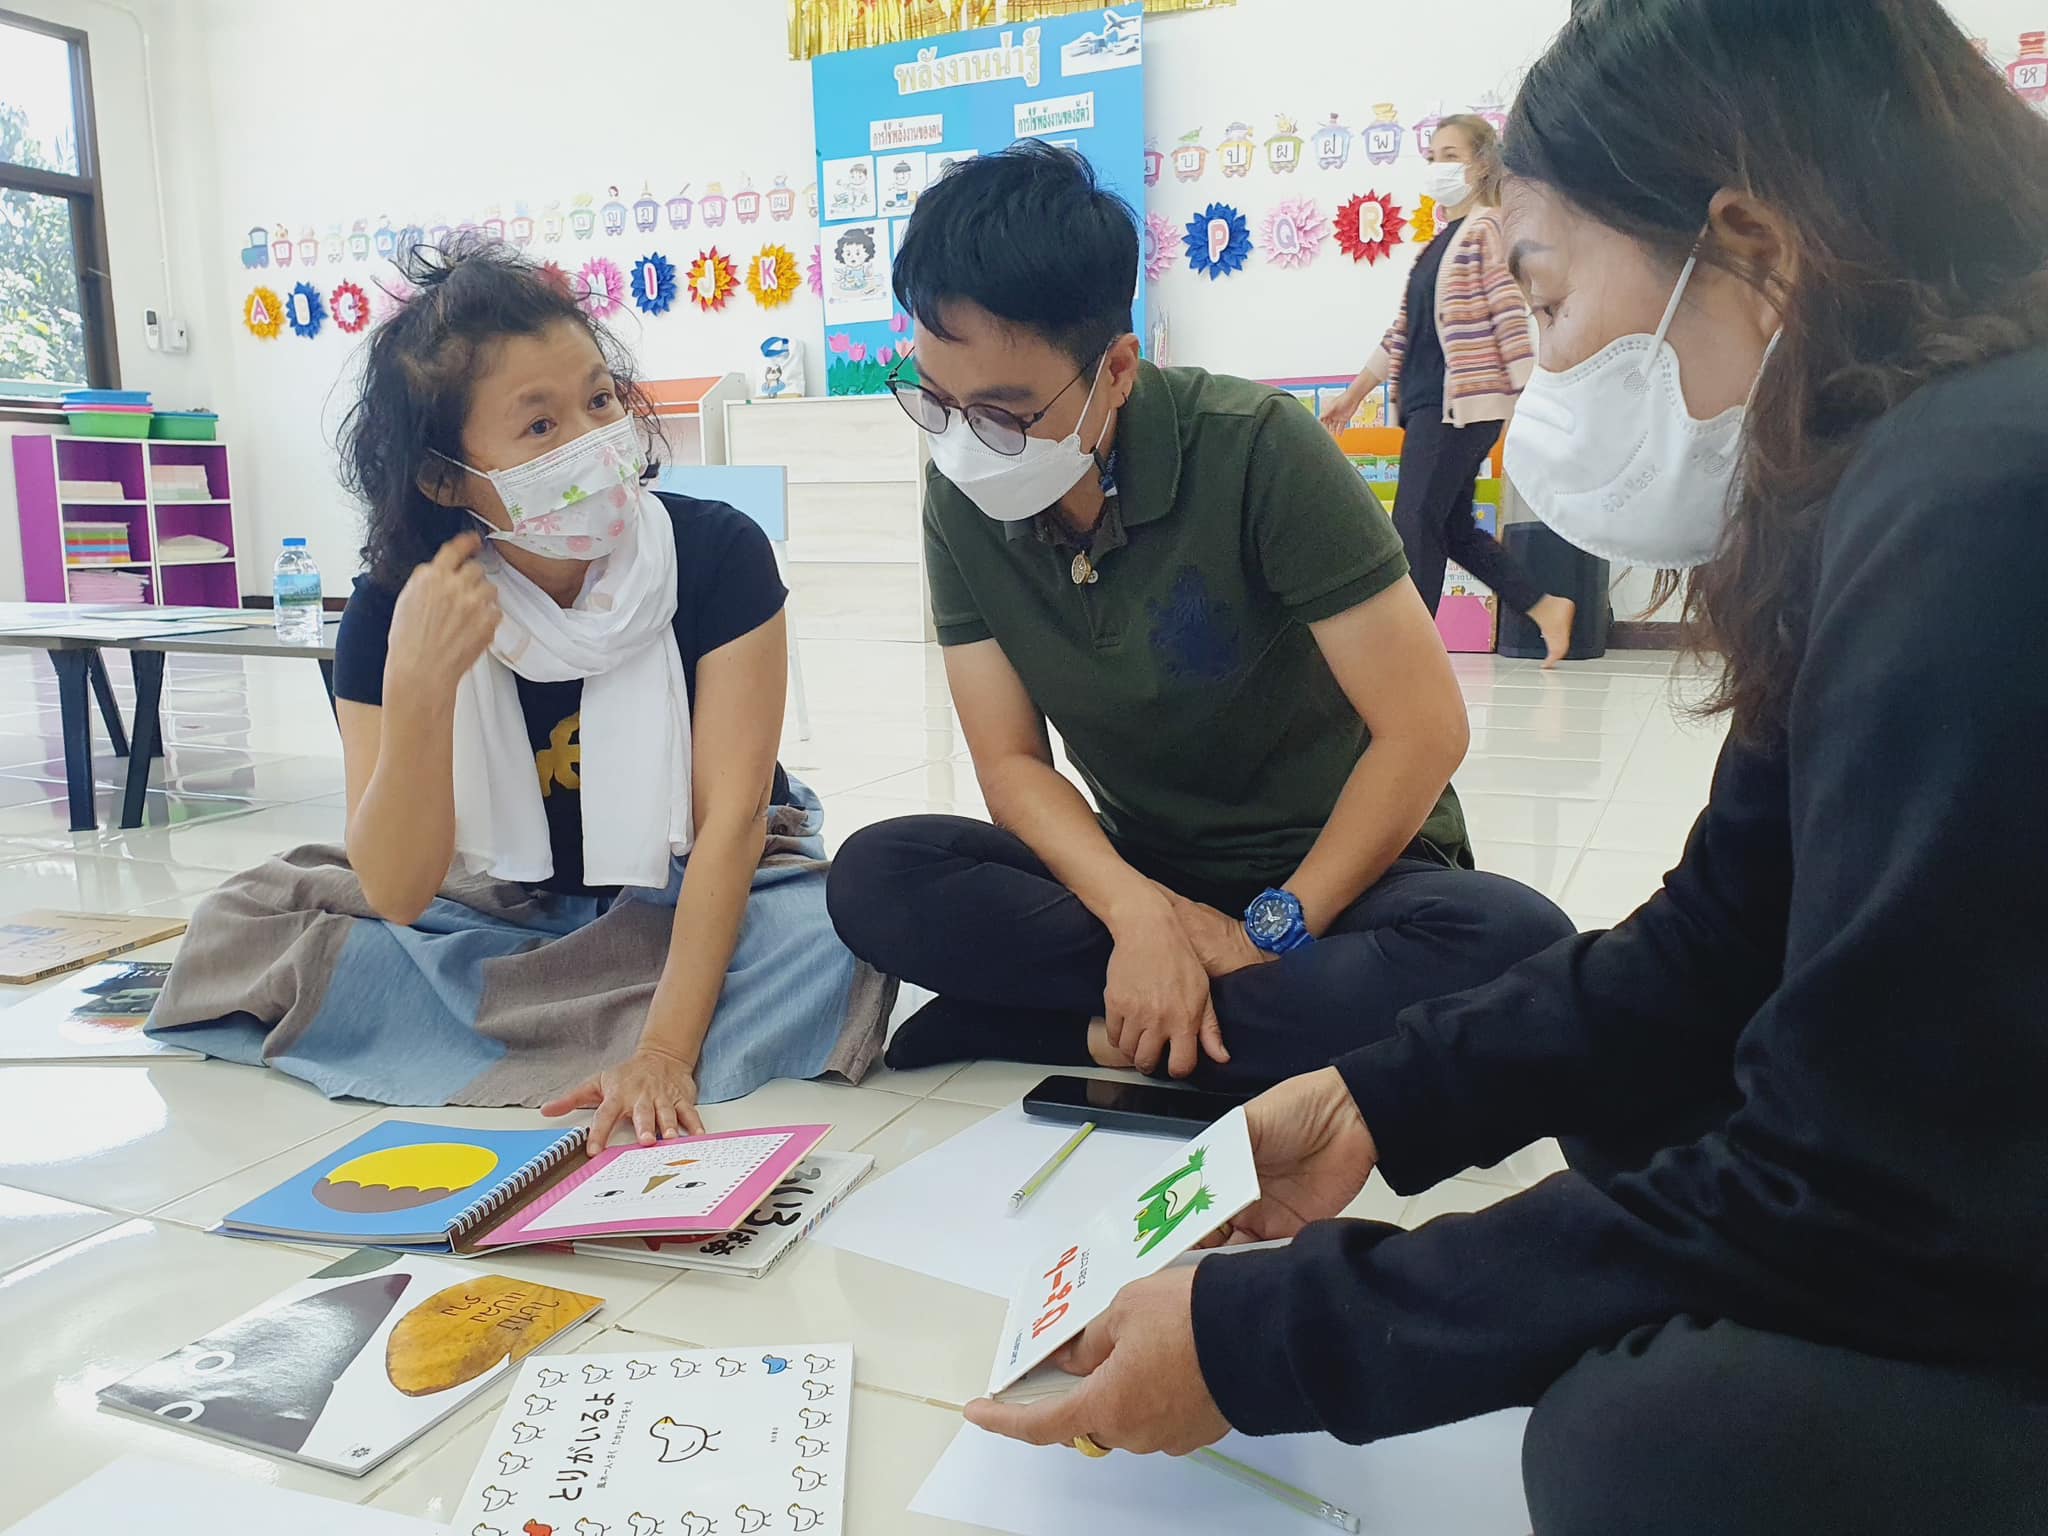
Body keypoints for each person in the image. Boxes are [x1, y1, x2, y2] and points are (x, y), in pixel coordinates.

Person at [962, 4, 2048, 1531]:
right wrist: (1374, 1099)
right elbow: (1722, 931)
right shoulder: (1883, 486)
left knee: (1640, 1441)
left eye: (1545, 295)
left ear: (1751, 248)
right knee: (1630, 1108)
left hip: (1336, 909)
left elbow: (1868, 1171)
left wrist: (1273, 1336)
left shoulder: (1977, 507)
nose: (1540, 366)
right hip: (1177, 907)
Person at [825, 143, 1572, 1092]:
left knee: (1517, 944)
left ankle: (1089, 1033)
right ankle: (1212, 1019)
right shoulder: (960, 500)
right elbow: (1011, 765)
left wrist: (1271, 931)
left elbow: (1425, 731)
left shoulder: (1257, 450)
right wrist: (1140, 915)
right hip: (1142, 870)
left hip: (1341, 877)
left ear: (1117, 370)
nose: (967, 444)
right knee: (878, 874)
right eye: (936, 403)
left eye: (1006, 415)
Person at [148, 243, 889, 1146]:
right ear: (443, 476)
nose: (592, 440)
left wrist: (665, 1050)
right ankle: (590, 1014)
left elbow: (731, 824)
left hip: (696, 883)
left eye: (599, 401)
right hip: (500, 898)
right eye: (540, 426)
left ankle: (568, 1026)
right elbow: (400, 890)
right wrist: (419, 693)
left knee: (831, 933)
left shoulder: (717, 553)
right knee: (243, 926)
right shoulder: (402, 604)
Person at [1321, 115, 1578, 667]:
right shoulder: (1439, 244)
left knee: (1413, 522)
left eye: (1451, 155)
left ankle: (1403, 658)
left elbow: (1509, 315)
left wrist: (1526, 398)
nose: (1438, 167)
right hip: (1428, 406)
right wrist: (1354, 393)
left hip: (1458, 408)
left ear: (1481, 164)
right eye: (1433, 156)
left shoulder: (1487, 230)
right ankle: (1544, 606)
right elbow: (1402, 331)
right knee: (1453, 529)